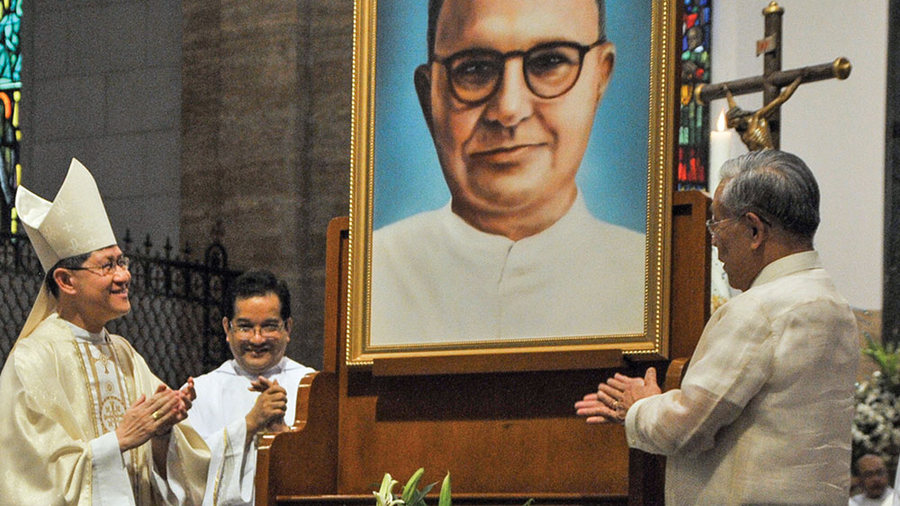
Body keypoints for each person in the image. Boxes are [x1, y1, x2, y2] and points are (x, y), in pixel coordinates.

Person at [575, 150, 858, 505]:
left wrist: (638, 405)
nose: (712, 240)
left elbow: (687, 428)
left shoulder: (758, 309)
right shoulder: (835, 304)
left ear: (754, 229)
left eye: (717, 223)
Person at [371, 0, 645, 344]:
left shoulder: (649, 276)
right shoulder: (372, 273)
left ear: (600, 78)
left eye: (549, 62)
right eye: (473, 69)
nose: (508, 109)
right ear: (429, 96)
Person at [0, 158, 252, 505]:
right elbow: (32, 480)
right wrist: (118, 440)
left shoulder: (124, 353)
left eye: (122, 262)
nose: (124, 276)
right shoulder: (33, 360)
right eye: (107, 265)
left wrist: (164, 429)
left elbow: (166, 469)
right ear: (65, 280)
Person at [188, 270, 316, 506]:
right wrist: (250, 424)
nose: (257, 339)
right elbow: (188, 470)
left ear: (288, 328)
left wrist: (281, 432)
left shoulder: (312, 385)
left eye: (269, 326)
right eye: (245, 327)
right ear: (227, 328)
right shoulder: (201, 392)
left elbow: (321, 471)